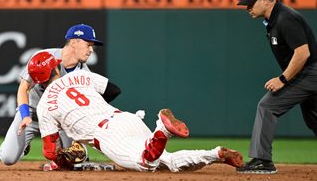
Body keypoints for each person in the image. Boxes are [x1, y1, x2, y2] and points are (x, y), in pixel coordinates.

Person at [29, 51, 244, 172]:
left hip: (107, 134)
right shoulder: (80, 75)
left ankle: (163, 131)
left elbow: (50, 151)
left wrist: (58, 161)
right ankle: (216, 154)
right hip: (125, 118)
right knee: (166, 163)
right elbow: (112, 89)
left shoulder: (45, 104)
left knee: (146, 163)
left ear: (37, 81)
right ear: (56, 68)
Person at [0, 24, 121, 170]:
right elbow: (23, 88)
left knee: (69, 160)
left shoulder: (84, 75)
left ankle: (81, 151)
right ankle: (24, 146)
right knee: (8, 158)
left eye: (92, 46)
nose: (91, 50)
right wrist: (24, 115)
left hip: (59, 121)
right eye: (88, 44)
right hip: (31, 114)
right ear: (74, 42)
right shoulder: (44, 57)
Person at [236, 0, 317, 174]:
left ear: (265, 0)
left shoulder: (285, 18)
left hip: (311, 72)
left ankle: (262, 161)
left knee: (267, 106)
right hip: (309, 73)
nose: (247, 7)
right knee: (314, 119)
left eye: (250, 2)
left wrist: (282, 79)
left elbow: (302, 53)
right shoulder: (275, 19)